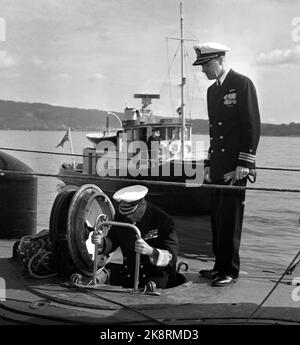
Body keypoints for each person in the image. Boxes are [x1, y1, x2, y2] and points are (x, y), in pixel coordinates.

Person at [192, 42, 261, 287]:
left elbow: (251, 125)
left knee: (231, 220)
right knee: (218, 219)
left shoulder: (242, 84)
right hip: (220, 166)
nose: (204, 71)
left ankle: (230, 270)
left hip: (235, 167)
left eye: (207, 65)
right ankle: (218, 266)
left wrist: (246, 162)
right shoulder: (213, 92)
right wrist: (209, 164)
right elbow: (215, 133)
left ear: (220, 60)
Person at [91, 185, 179, 289]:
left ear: (142, 204)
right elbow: (113, 240)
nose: (128, 216)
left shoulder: (163, 221)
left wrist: (151, 251)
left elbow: (171, 258)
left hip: (155, 283)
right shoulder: (122, 216)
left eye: (131, 212)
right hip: (129, 278)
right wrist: (101, 242)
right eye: (125, 213)